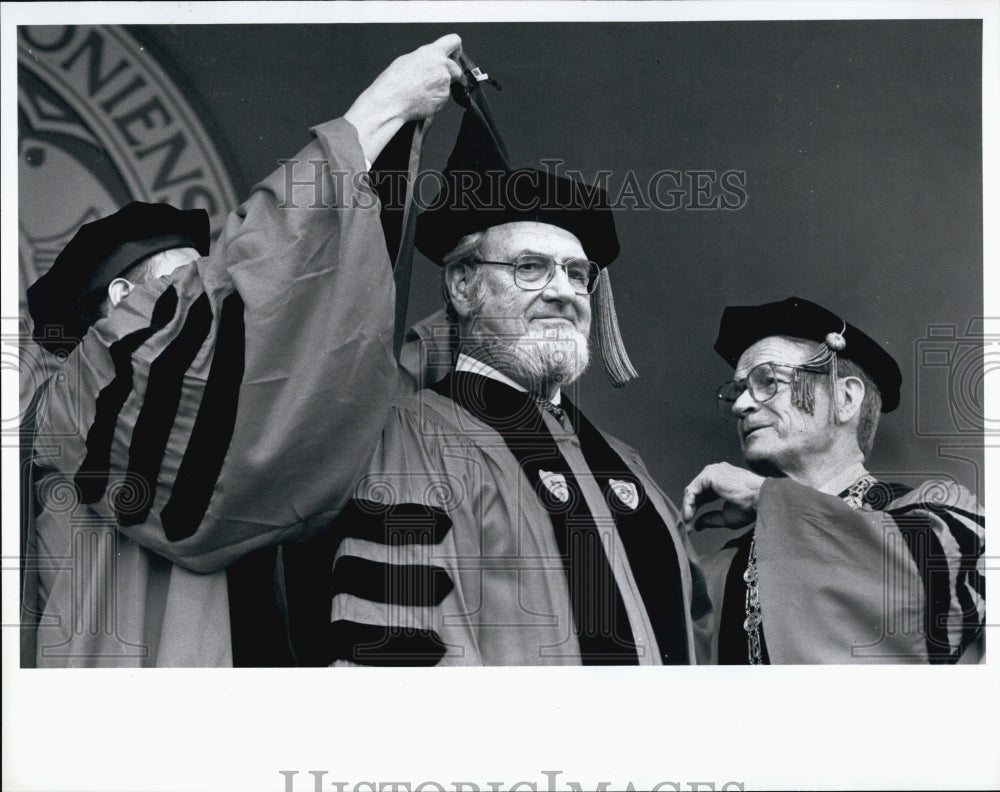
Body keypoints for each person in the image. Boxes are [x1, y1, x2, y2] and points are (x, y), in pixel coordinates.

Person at [22, 35, 465, 666]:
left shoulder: (213, 411)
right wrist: (379, 110)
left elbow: (341, 377)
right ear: (121, 297)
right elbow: (257, 288)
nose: (215, 294)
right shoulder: (80, 394)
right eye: (191, 282)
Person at [281, 88, 711, 667]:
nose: (562, 292)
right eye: (530, 268)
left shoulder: (625, 464)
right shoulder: (410, 440)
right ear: (463, 286)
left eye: (577, 274)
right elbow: (403, 653)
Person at [682, 296, 985, 664]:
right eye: (738, 390)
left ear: (845, 398)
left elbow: (918, 600)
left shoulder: (944, 517)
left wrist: (765, 497)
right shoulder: (722, 568)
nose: (740, 405)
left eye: (767, 381)